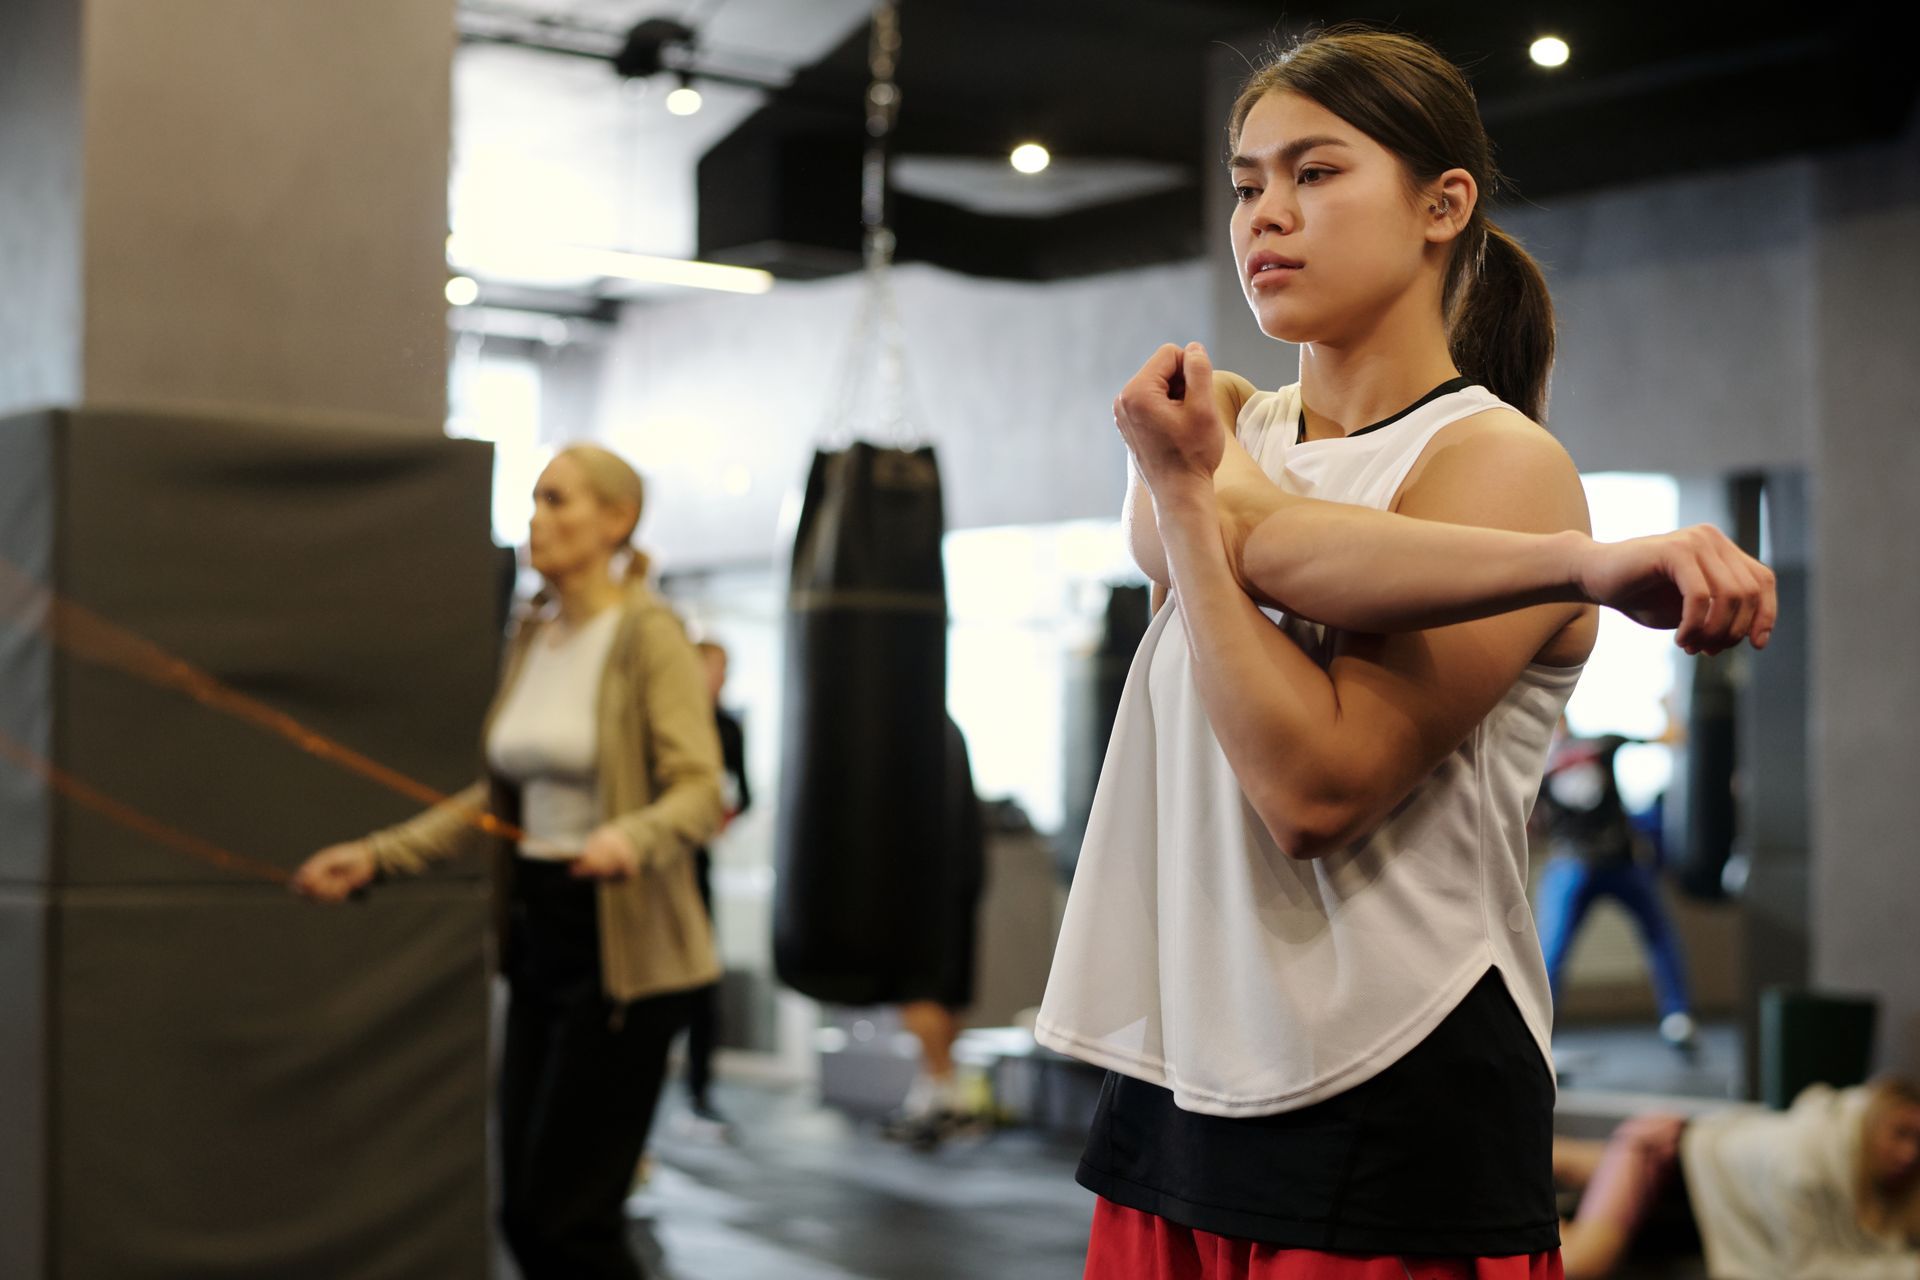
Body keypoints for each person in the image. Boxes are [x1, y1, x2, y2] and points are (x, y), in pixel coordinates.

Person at [1034, 25, 1775, 1278]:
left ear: (1443, 206)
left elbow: (1312, 785)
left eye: (1316, 173)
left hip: (1390, 1079)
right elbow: (1280, 541)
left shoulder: (1501, 463)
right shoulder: (1211, 422)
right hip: (1179, 1077)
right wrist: (1578, 565)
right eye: (1247, 180)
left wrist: (1201, 509)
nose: (1266, 213)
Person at [291, 444, 723, 1280]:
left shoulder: (647, 634)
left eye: (558, 500)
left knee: (569, 1222)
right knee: (524, 1215)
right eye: (533, 500)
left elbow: (700, 789)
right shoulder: (536, 631)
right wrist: (376, 858)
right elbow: (492, 798)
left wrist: (628, 838)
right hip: (539, 936)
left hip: (624, 955)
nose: (537, 518)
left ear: (616, 520)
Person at [1555, 1082, 1920, 1278]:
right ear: (1871, 1123)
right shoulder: (1803, 1164)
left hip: (1692, 1166)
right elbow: (1811, 1270)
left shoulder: (1860, 1164)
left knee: (1563, 1162)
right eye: (1900, 1134)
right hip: (1659, 1152)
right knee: (1583, 1261)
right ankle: (1512, 1219)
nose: (1909, 1154)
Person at [1533, 718, 1698, 1053]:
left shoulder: (1588, 748)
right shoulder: (1539, 762)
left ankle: (1677, 1016)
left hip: (1614, 861)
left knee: (1658, 935)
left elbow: (1656, 739)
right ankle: (1537, 1034)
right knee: (1550, 952)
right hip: (1577, 863)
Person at [682, 638, 752, 1131]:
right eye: (714, 669)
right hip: (656, 864)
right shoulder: (671, 722)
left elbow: (742, 792)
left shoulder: (727, 727)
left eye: (725, 671)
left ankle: (699, 1090)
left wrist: (721, 817)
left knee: (702, 977)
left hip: (696, 862)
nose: (720, 679)